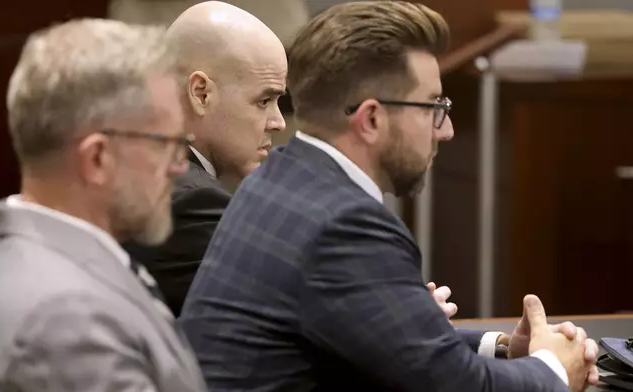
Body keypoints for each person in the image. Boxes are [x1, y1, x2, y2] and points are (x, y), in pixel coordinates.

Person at [178, 2, 600, 391]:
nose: (446, 130)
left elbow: (399, 343)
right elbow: (461, 387)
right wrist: (555, 368)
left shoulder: (279, 180)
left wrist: (504, 347)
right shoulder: (344, 225)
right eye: (433, 106)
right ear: (373, 119)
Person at [0, 19, 206, 391]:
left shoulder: (35, 261)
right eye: (166, 144)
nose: (180, 166)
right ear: (98, 158)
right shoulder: (68, 323)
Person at [124, 0, 288, 316]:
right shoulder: (191, 202)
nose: (278, 122)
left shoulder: (144, 166)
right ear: (201, 93)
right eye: (264, 100)